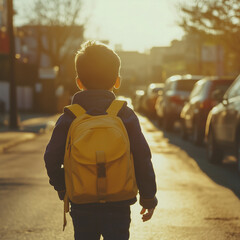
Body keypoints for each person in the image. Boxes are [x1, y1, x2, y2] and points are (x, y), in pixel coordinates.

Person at [44, 41, 157, 240]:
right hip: (119, 201)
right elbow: (142, 156)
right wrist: (148, 197)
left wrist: (63, 186)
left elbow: (51, 158)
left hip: (82, 202)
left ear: (79, 82)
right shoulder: (124, 115)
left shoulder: (70, 117)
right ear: (117, 81)